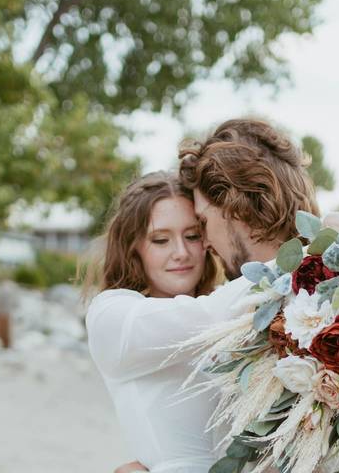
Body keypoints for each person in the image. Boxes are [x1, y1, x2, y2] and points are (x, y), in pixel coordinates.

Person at [88, 119, 319, 473]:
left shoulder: (237, 308)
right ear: (133, 249)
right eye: (161, 240)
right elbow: (207, 319)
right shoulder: (113, 315)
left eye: (194, 235)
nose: (180, 252)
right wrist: (316, 250)